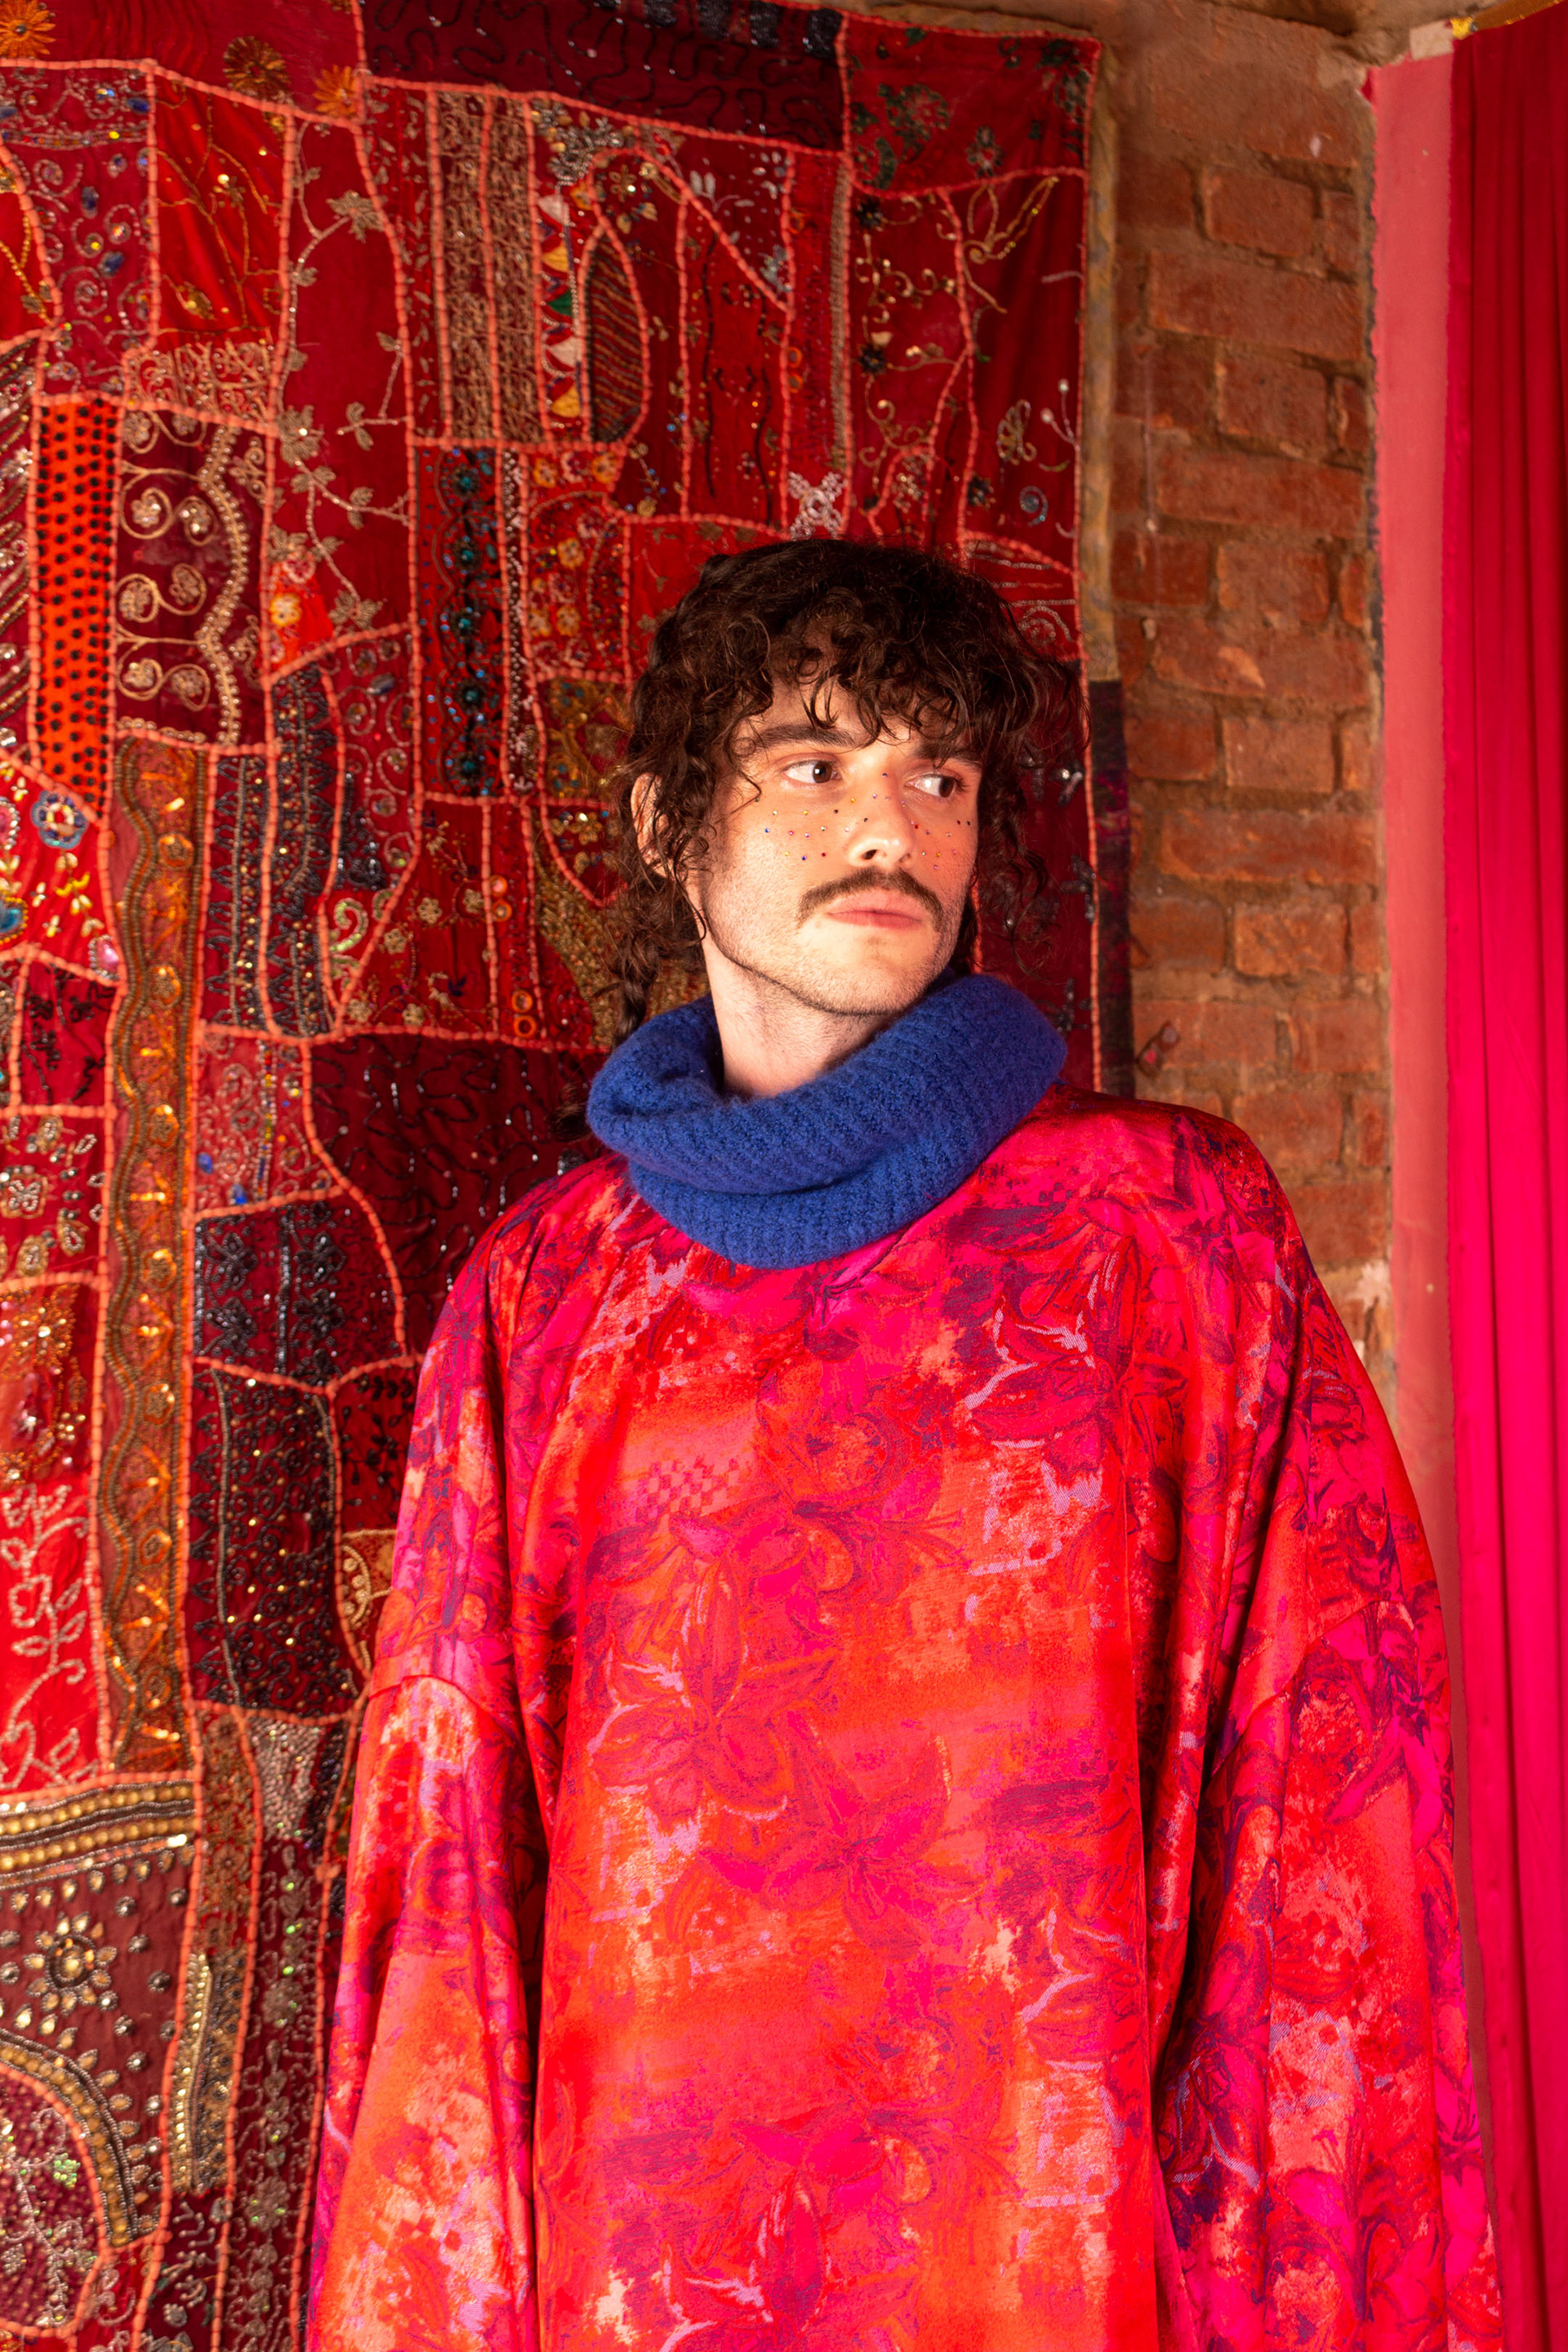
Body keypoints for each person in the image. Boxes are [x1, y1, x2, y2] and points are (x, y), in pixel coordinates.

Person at [309, 541, 1499, 2350]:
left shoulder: (1166, 1234)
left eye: (937, 775)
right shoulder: (544, 1298)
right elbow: (452, 1866)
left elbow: (1328, 1806)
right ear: (667, 827)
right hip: (650, 2268)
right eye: (815, 763)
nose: (890, 824)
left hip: (1044, 2253)